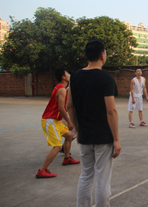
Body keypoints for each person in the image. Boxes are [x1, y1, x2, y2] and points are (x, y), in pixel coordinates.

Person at [67, 40, 121, 207]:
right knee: (102, 179)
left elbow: (69, 106)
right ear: (102, 55)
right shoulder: (106, 78)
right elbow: (111, 111)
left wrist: (77, 130)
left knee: (86, 175)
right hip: (103, 136)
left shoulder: (74, 77)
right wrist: (116, 139)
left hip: (85, 135)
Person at [36, 67, 80, 178]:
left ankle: (67, 159)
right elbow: (61, 108)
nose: (69, 75)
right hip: (49, 120)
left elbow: (62, 107)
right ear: (63, 77)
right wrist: (70, 122)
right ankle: (42, 170)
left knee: (69, 136)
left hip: (55, 120)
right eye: (67, 73)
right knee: (57, 146)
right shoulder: (61, 89)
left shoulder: (62, 88)